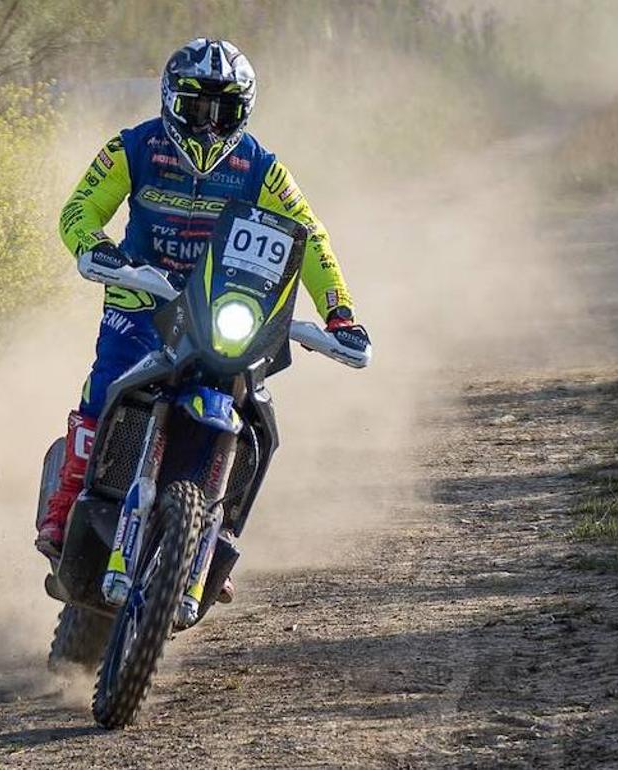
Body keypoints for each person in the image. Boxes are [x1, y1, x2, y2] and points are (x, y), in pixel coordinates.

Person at [36, 38, 370, 585]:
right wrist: (91, 247)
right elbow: (80, 208)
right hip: (139, 300)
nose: (209, 125)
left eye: (226, 111)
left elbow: (309, 237)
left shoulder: (262, 167)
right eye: (197, 108)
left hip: (220, 312)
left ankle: (211, 531)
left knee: (253, 412)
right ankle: (64, 506)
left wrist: (339, 312)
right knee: (103, 391)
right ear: (170, 100)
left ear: (245, 112)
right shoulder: (132, 148)